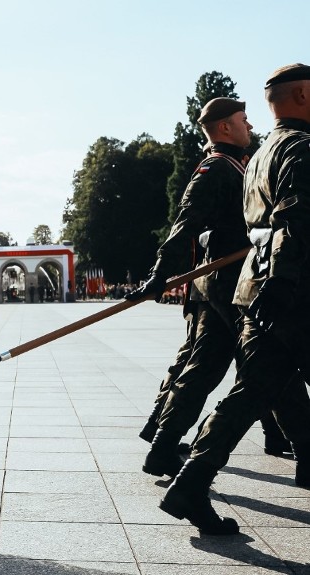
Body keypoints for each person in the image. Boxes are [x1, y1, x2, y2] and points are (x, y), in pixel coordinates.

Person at [160, 65, 310, 535]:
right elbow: (294, 224)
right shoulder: (300, 150)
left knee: (251, 395)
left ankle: (188, 484)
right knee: (246, 393)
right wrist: (283, 284)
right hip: (290, 292)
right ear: (303, 96)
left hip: (258, 289)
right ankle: (180, 471)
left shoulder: (263, 152)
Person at [126, 97, 294, 480]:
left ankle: (164, 446)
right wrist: (159, 274)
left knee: (209, 366)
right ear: (224, 128)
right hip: (226, 279)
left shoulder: (238, 166)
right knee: (265, 361)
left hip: (229, 276)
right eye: (243, 120)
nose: (250, 127)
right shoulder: (216, 168)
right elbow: (185, 223)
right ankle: (292, 440)